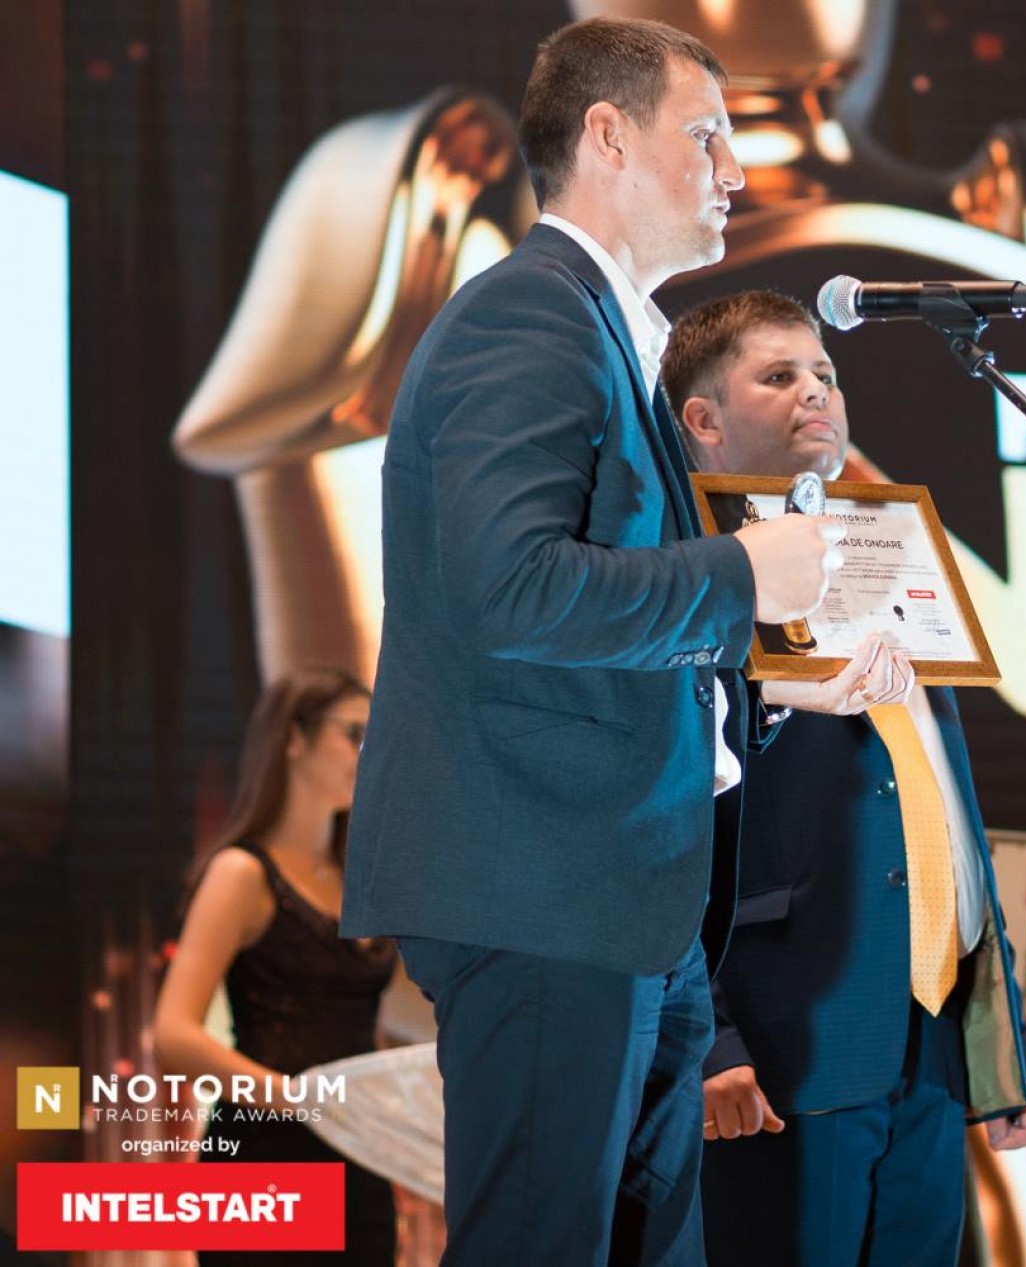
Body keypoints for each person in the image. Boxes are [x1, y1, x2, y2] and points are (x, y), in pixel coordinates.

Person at [338, 19, 901, 1266]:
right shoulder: (528, 317)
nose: (735, 172)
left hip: (626, 903)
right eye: (706, 138)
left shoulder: (608, 328)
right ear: (607, 136)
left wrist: (770, 692)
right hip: (544, 886)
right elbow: (512, 589)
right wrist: (745, 574)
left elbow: (602, 625)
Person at [661, 290, 1026, 1267]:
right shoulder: (679, 581)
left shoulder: (894, 559)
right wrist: (708, 1040)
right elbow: (661, 837)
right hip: (783, 1044)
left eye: (826, 373)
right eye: (778, 375)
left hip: (931, 1043)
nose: (816, 392)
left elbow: (946, 814)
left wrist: (1006, 1043)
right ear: (703, 419)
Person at [154, 667, 397, 1265]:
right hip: (263, 1159)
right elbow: (174, 1036)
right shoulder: (241, 874)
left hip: (358, 1158)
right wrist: (302, 1100)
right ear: (294, 737)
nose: (368, 753)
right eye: (354, 733)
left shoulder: (361, 880)